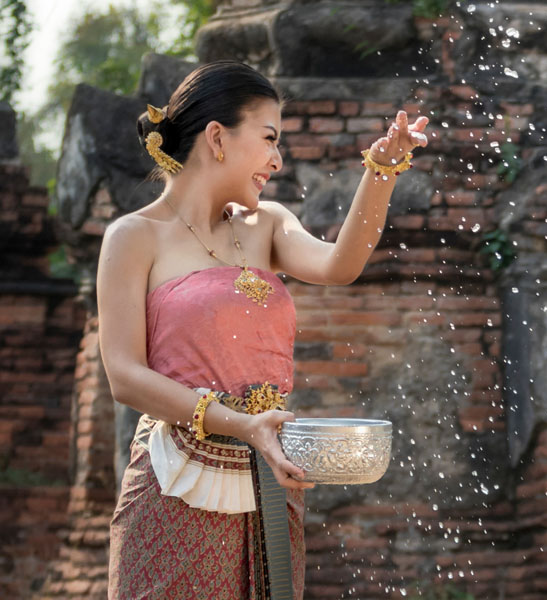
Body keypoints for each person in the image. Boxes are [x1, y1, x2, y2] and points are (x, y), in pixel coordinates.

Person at [98, 60, 429, 599]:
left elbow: (340, 265)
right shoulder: (133, 238)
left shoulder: (267, 224)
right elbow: (125, 378)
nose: (277, 160)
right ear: (216, 138)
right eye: (270, 138)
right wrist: (240, 424)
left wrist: (381, 171)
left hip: (268, 484)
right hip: (173, 483)